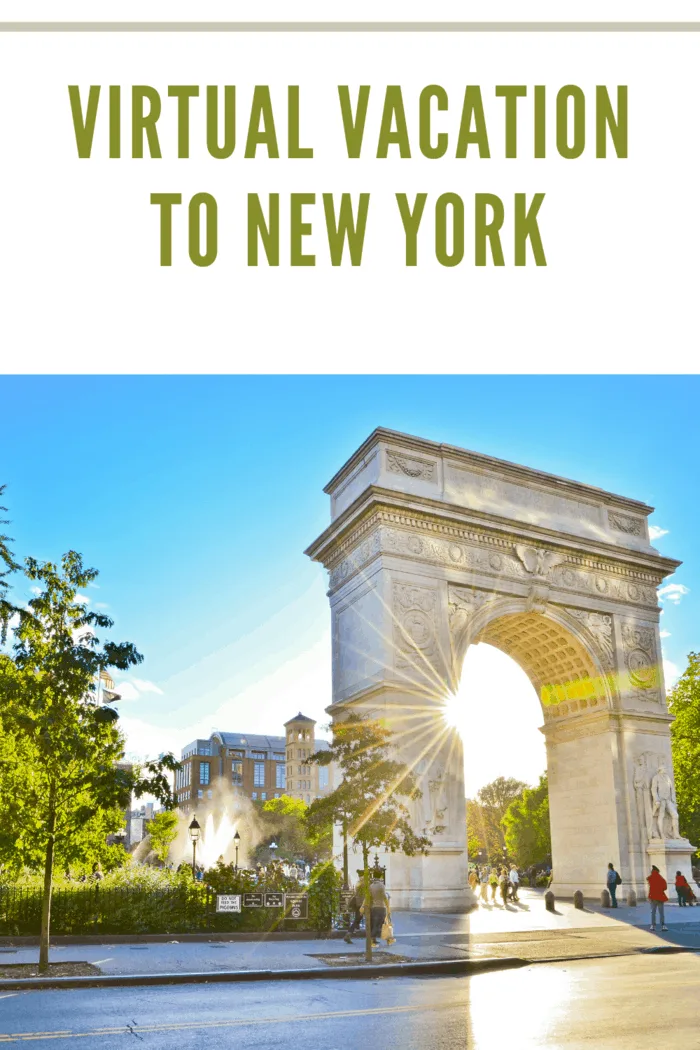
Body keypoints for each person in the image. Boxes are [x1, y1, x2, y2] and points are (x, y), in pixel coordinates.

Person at [368, 878, 391, 947]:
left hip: (373, 907)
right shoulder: (381, 885)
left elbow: (369, 897)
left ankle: (374, 939)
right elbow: (384, 897)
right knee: (379, 925)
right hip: (381, 907)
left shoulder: (371, 886)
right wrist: (388, 907)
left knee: (374, 924)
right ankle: (371, 941)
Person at [647, 864, 668, 931]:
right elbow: (665, 887)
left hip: (652, 897)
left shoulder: (650, 878)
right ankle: (663, 925)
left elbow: (648, 880)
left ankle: (652, 925)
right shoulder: (661, 879)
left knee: (653, 912)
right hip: (660, 897)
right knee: (661, 912)